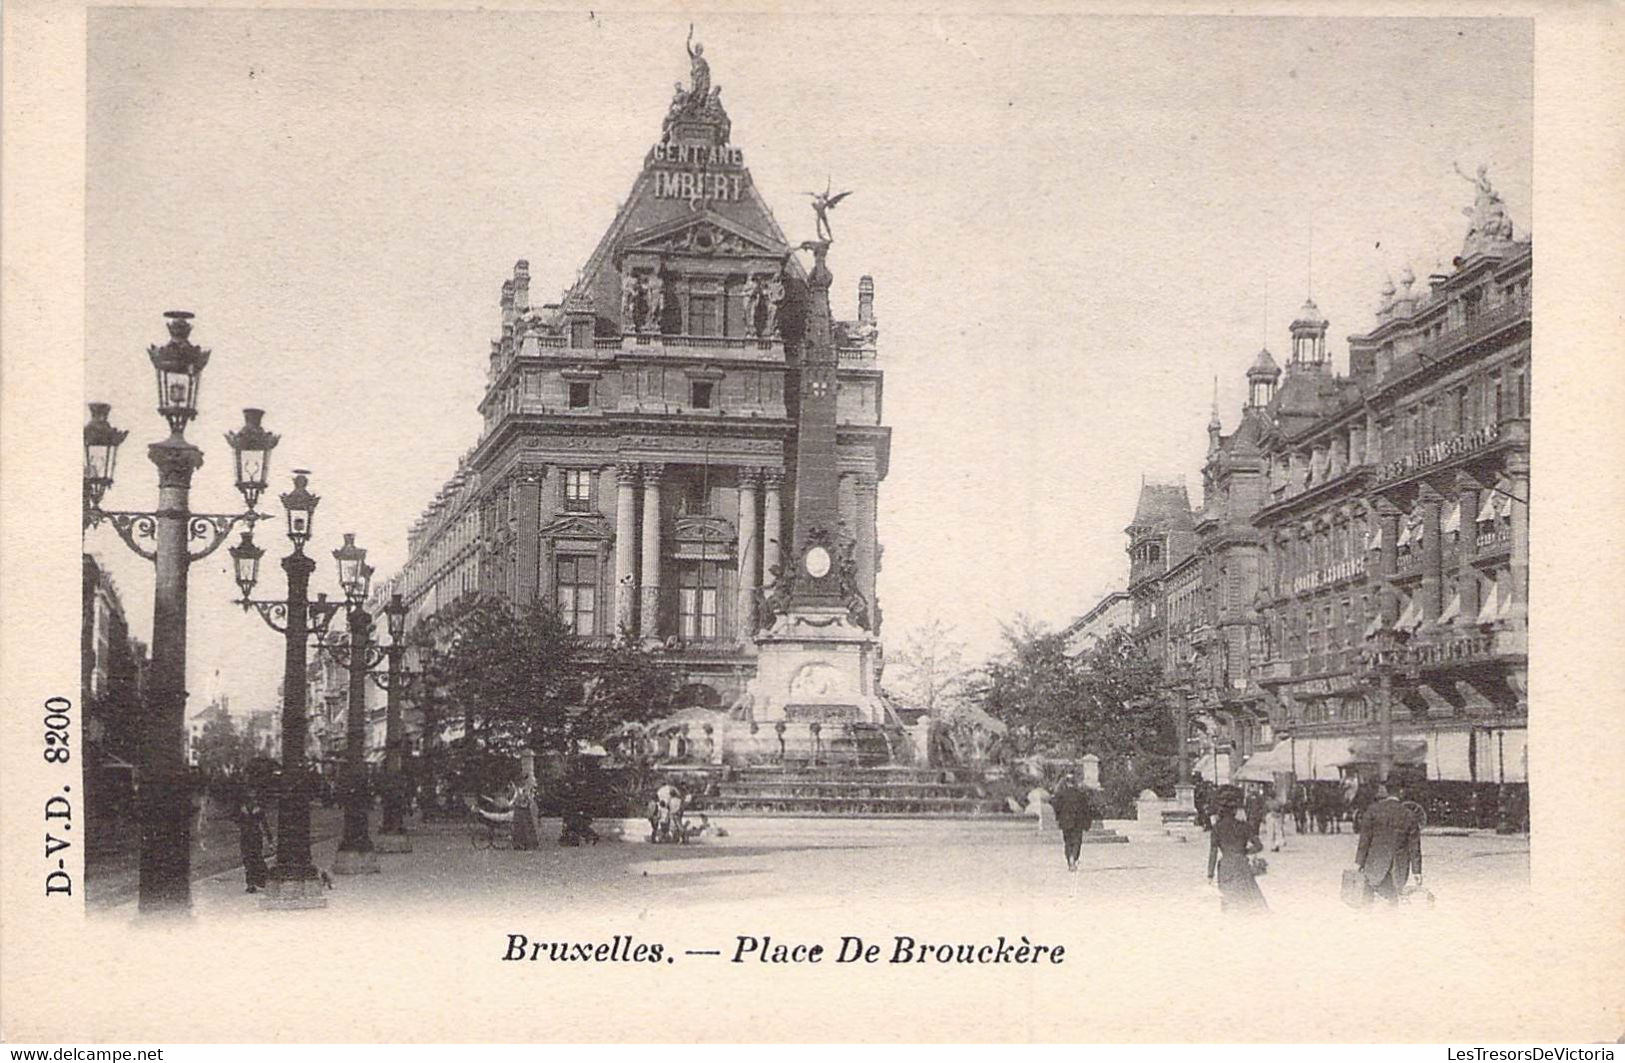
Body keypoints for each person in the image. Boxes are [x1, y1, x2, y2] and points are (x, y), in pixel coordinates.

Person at [1353, 782, 1423, 905]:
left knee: (1372, 901)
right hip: (1399, 868)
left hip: (1375, 865)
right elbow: (1414, 846)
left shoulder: (1373, 810)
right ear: (1401, 792)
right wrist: (1417, 871)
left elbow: (1364, 841)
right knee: (1393, 901)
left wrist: (1359, 862)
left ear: (1386, 791)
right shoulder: (1409, 815)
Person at [1207, 786, 1267, 913]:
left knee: (1229, 902)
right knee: (1248, 900)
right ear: (1235, 810)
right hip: (1241, 864)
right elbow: (1259, 846)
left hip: (1226, 866)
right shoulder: (1244, 826)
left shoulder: (1217, 828)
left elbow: (1213, 852)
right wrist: (1244, 851)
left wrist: (1210, 874)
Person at [1050, 773, 1097, 872]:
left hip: (1065, 821)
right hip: (1078, 821)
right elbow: (1086, 809)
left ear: (1066, 783)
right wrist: (1087, 822)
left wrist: (1058, 818)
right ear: (1074, 782)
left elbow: (1056, 807)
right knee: (1077, 841)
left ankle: (1069, 860)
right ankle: (1074, 858)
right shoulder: (1080, 794)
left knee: (1067, 842)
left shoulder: (1061, 794)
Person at [235, 790, 273, 894]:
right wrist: (270, 841)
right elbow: (265, 826)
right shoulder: (258, 810)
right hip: (254, 836)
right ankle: (258, 881)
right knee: (254, 858)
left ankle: (252, 883)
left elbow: (237, 821)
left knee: (250, 859)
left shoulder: (244, 810)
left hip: (247, 836)